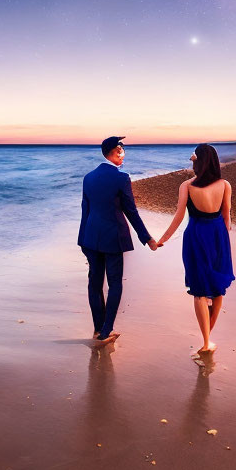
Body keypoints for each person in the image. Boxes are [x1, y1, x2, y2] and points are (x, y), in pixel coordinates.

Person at [78, 136, 159, 346]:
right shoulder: (121, 178)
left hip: (90, 237)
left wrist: (82, 241)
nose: (124, 154)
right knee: (114, 284)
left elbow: (84, 210)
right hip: (113, 237)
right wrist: (147, 238)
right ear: (116, 152)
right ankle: (107, 331)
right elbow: (130, 211)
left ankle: (98, 329)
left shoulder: (88, 177)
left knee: (94, 284)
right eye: (122, 150)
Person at [157, 144, 234, 354]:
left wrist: (162, 239)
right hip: (218, 235)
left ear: (197, 161)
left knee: (199, 291)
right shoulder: (225, 185)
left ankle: (206, 341)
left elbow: (179, 216)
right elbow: (226, 216)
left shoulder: (187, 186)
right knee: (218, 288)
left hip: (196, 235)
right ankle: (209, 337)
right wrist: (224, 242)